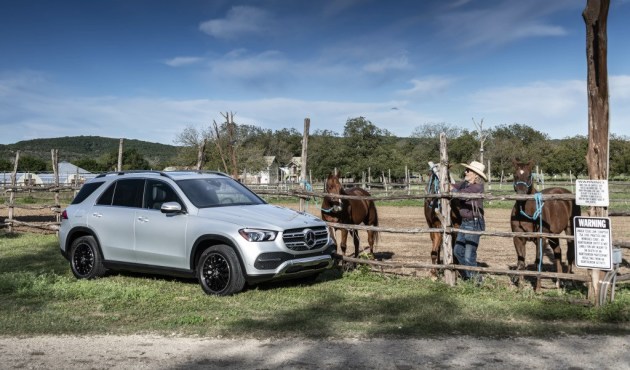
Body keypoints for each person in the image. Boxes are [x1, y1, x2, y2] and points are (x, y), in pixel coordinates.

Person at [450, 160, 487, 282]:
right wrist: (449, 185)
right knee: (457, 251)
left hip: (474, 223)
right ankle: (470, 277)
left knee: (468, 255)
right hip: (466, 222)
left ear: (476, 175)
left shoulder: (477, 187)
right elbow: (455, 187)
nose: (466, 172)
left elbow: (461, 195)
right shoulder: (465, 184)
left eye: (468, 170)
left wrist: (451, 189)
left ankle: (476, 281)